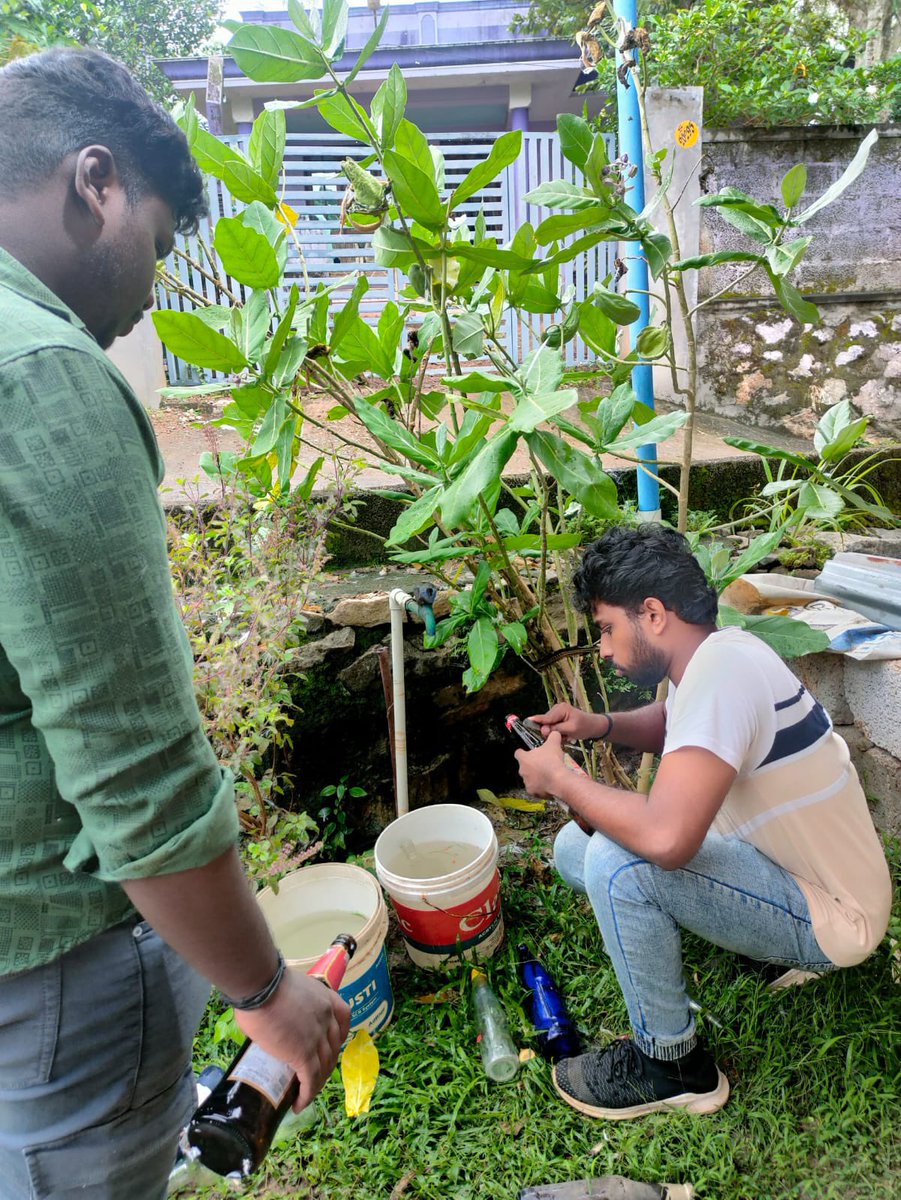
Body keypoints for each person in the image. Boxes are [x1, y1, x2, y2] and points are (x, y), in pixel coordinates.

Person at [0, 48, 349, 1199]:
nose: (150, 290)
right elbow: (135, 770)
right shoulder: (38, 375)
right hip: (52, 966)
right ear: (92, 180)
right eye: (154, 241)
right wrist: (264, 995)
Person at [515, 524, 892, 1121]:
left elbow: (666, 840)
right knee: (574, 847)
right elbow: (674, 723)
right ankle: (746, 937)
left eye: (609, 629)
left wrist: (563, 780)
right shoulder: (722, 653)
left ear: (655, 614)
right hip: (783, 863)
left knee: (620, 862)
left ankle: (671, 1067)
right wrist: (597, 725)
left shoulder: (721, 676)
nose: (605, 649)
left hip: (833, 915)